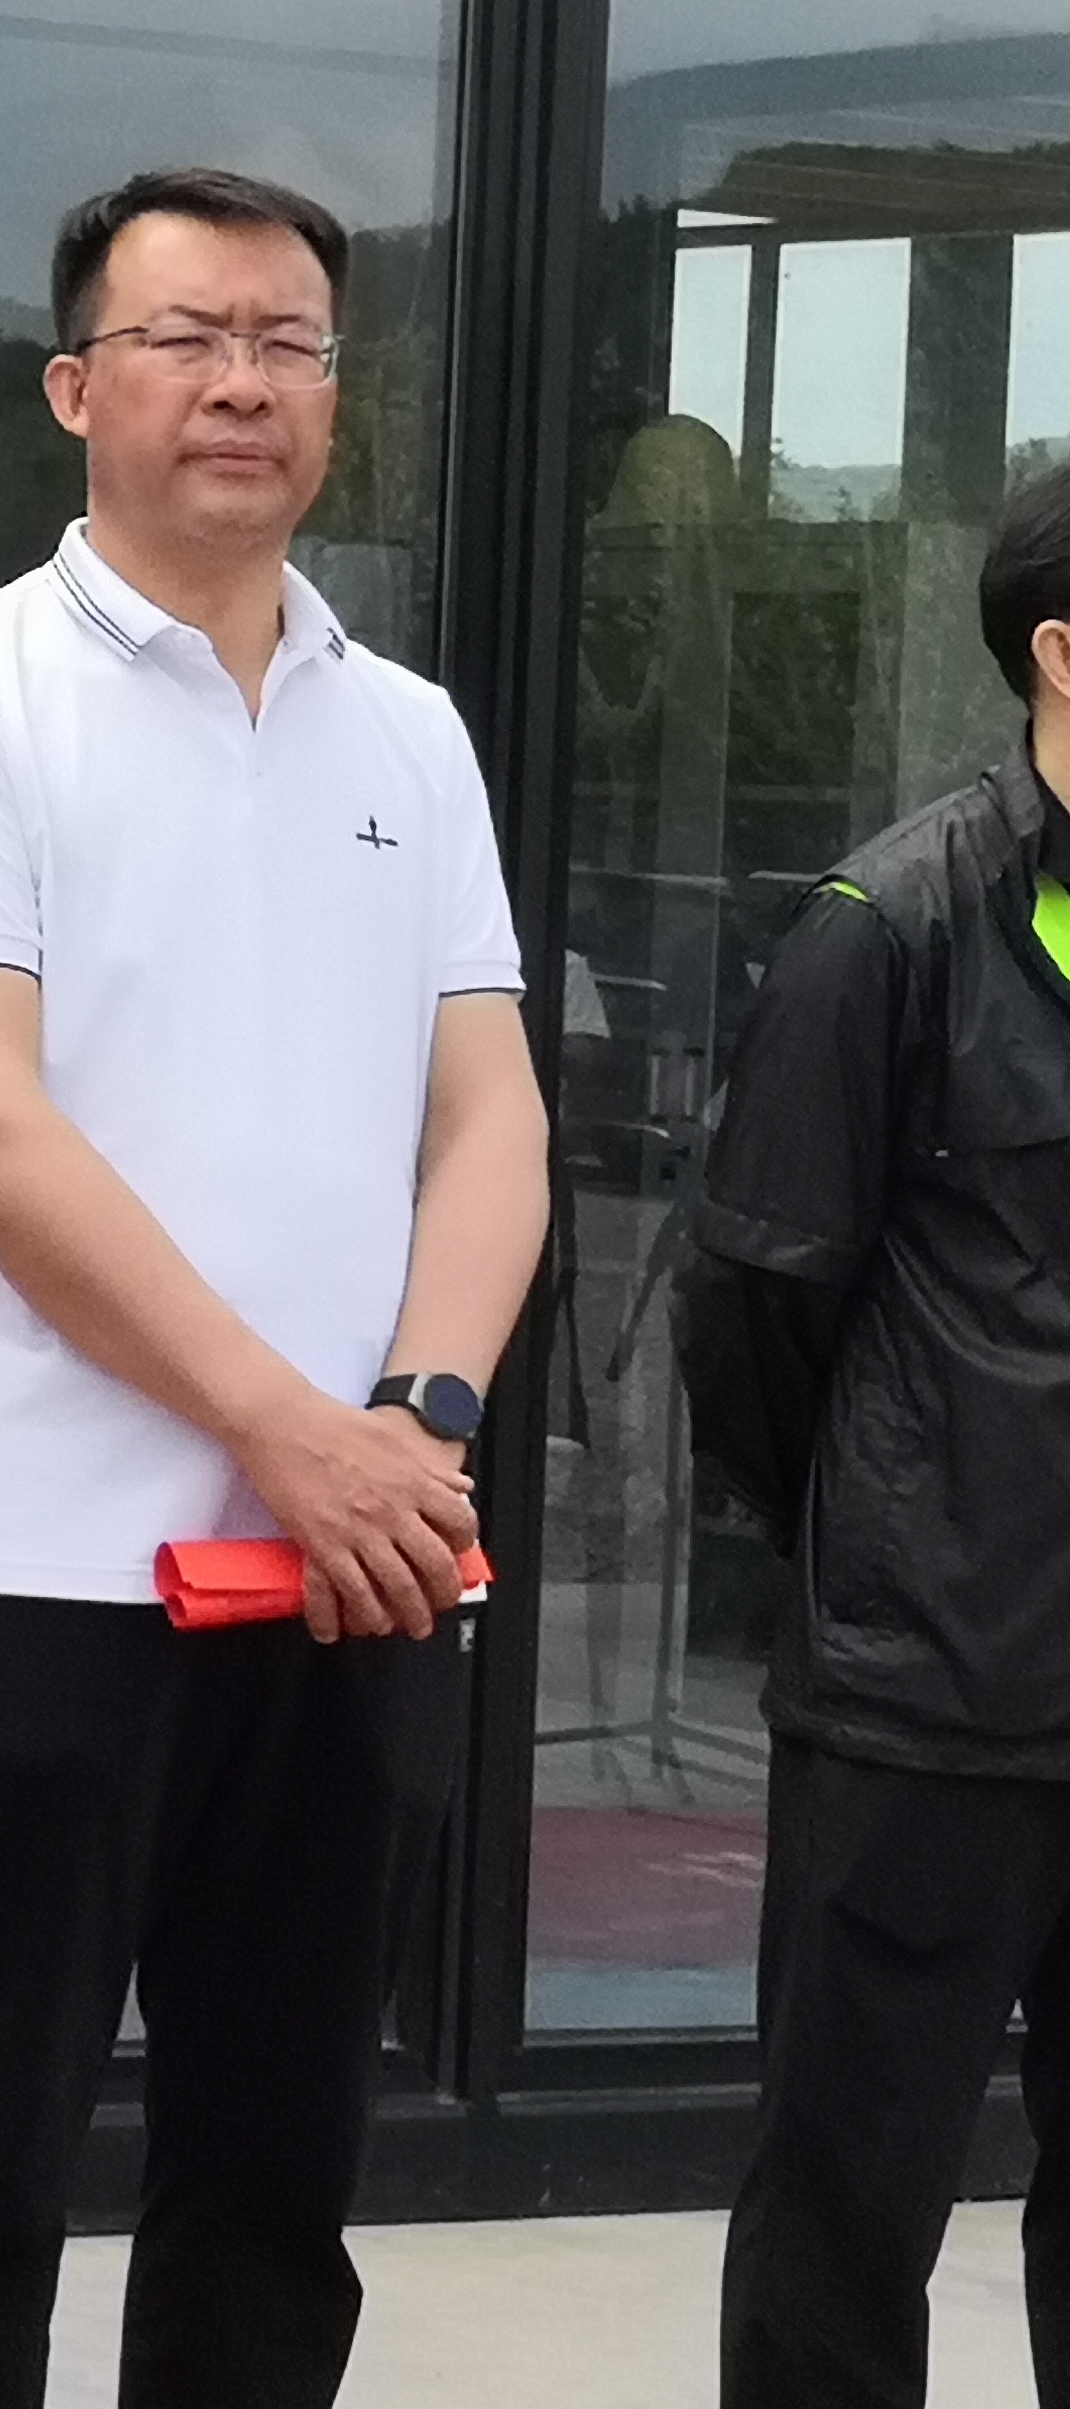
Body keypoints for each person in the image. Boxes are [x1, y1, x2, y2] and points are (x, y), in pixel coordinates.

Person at [0, 164, 545, 2409]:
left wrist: (415, 1428)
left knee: (274, 2195)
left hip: (355, 1572)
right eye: (186, 339)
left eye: (289, 345)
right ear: (74, 389)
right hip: (39, 1567)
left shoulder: (407, 731)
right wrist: (280, 1430)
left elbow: (493, 1123)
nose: (245, 384)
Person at [685, 463, 1070, 2409]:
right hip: (932, 1696)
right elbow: (756, 1303)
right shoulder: (890, 925)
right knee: (849, 2212)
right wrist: (887, 1535)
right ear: (1062, 655)